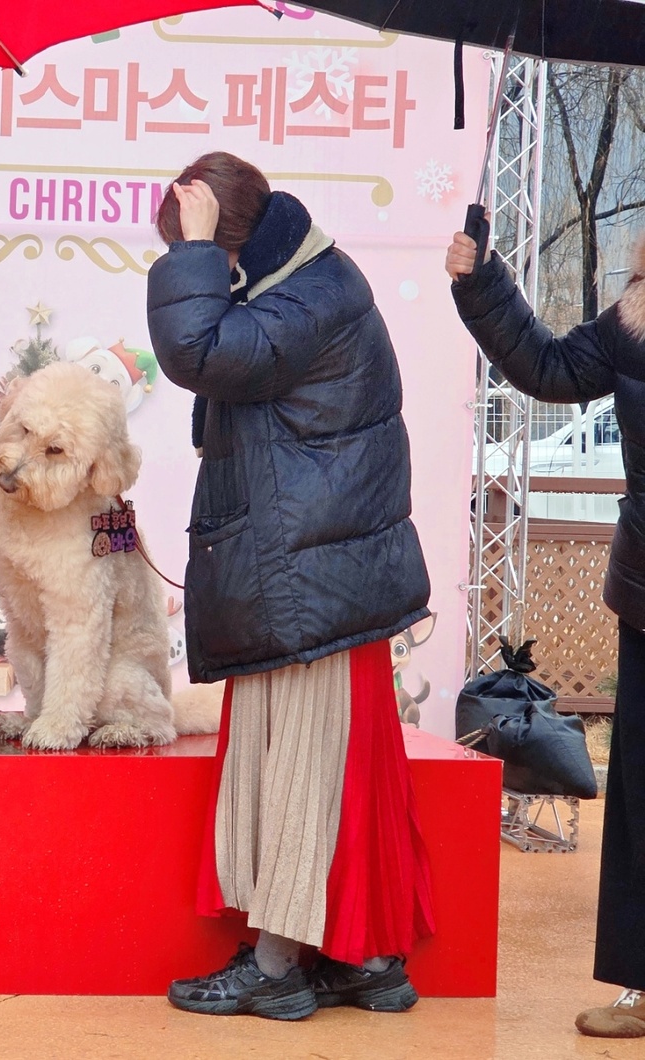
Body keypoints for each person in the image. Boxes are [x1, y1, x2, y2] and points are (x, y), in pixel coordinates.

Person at [146, 152, 435, 1020]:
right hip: (311, 572)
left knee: (307, 768)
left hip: (316, 580)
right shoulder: (303, 284)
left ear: (232, 242)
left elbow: (197, 351)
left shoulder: (311, 293)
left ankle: (277, 970)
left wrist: (191, 256)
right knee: (330, 770)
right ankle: (367, 959)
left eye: (211, 251)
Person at [447, 227, 645, 1038]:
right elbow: (549, 367)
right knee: (638, 796)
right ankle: (640, 988)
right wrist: (484, 281)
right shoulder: (633, 319)